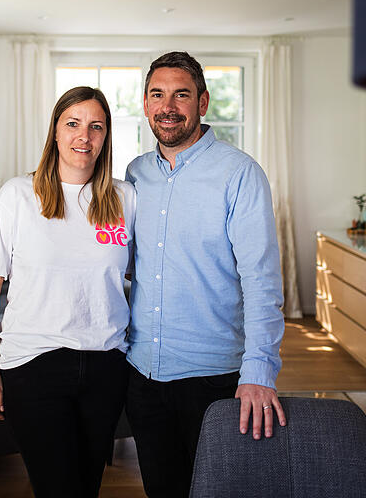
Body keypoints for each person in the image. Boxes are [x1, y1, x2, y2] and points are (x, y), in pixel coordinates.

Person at [125, 51, 287, 497]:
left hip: (213, 379)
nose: (168, 106)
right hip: (142, 373)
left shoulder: (240, 174)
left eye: (181, 94)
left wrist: (259, 371)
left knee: (218, 490)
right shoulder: (135, 174)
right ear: (145, 103)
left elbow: (261, 281)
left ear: (203, 102)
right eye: (158, 94)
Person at [0, 86, 136, 498]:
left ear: (105, 137)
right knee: (56, 487)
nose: (85, 136)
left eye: (96, 126)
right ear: (56, 133)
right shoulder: (17, 196)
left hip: (106, 365)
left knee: (86, 486)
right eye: (73, 124)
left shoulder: (125, 198)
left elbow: (150, 274)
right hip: (33, 365)